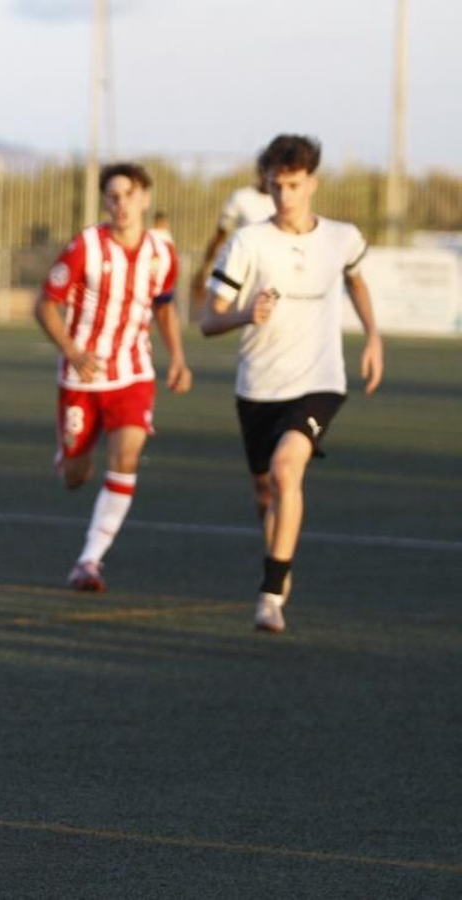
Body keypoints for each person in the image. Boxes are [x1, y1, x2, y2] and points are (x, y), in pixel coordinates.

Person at [201, 134, 382, 633]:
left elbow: (356, 278)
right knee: (267, 495)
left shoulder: (341, 236)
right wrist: (246, 314)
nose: (285, 197)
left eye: (294, 186)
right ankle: (281, 560)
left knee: (287, 470)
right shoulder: (248, 242)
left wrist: (373, 338)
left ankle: (270, 592)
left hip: (320, 381)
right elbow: (207, 320)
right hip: (258, 387)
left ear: (313, 183)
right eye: (276, 187)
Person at [34, 162, 193, 592]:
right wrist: (72, 350)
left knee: (125, 456)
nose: (121, 204)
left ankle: (89, 560)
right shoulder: (86, 246)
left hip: (133, 374)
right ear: (104, 201)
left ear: (144, 198)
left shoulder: (162, 252)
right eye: (113, 196)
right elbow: (45, 304)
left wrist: (177, 356)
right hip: (82, 379)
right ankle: (66, 453)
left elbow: (163, 307)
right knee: (76, 476)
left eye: (129, 194)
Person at [191, 159, 276, 313]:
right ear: (259, 171)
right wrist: (203, 270)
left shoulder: (284, 202)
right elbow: (220, 235)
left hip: (276, 270)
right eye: (266, 170)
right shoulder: (240, 197)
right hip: (247, 270)